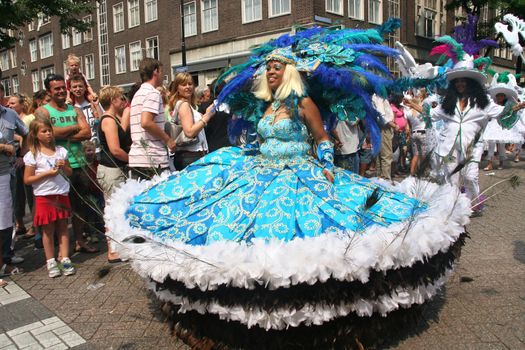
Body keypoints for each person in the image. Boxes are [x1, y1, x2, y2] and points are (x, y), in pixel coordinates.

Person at [105, 31, 471, 348]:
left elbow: (323, 139)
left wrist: (327, 167)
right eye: (268, 67)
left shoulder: (304, 103)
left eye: (277, 66)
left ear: (291, 71)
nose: (271, 71)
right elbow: (259, 139)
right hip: (260, 170)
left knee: (304, 229)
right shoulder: (267, 106)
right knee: (218, 213)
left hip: (298, 173)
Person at [34, 74, 98, 253]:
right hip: (57, 168)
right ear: (49, 91)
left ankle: (79, 241)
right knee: (58, 211)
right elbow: (46, 133)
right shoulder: (43, 111)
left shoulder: (75, 109)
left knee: (80, 207)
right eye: (57, 88)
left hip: (78, 164)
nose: (62, 91)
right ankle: (59, 251)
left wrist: (60, 133)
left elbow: (86, 133)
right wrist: (72, 128)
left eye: (63, 87)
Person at [23, 117, 75, 278]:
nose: (48, 134)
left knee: (63, 227)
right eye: (44, 131)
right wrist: (47, 173)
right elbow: (27, 179)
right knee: (47, 230)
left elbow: (69, 172)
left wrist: (64, 166)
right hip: (44, 196)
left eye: (49, 131)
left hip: (61, 193)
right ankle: (50, 260)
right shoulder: (33, 155)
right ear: (35, 134)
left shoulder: (60, 151)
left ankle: (65, 258)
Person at [97, 86, 130, 262]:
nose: (122, 100)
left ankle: (119, 245)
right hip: (111, 169)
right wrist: (131, 159)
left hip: (117, 169)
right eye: (120, 97)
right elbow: (115, 150)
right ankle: (112, 249)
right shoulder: (108, 120)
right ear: (112, 100)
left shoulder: (115, 118)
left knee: (118, 207)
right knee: (111, 208)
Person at [128, 58, 176, 180]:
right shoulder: (153, 93)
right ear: (155, 71)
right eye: (161, 71)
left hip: (137, 158)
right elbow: (146, 122)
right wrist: (168, 139)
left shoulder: (137, 94)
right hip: (153, 159)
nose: (163, 75)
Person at [0, 83, 28, 273]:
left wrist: (21, 156)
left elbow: (26, 133)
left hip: (7, 173)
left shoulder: (10, 114)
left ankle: (6, 255)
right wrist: (3, 147)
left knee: (6, 217)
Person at [168, 72, 215, 170]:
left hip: (189, 156)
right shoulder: (184, 105)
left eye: (190, 84)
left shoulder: (185, 104)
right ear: (177, 87)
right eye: (183, 84)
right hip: (190, 156)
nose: (188, 87)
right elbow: (189, 132)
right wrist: (207, 117)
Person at [483, 73, 524, 171]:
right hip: (492, 126)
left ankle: (501, 162)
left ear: (504, 97)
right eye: (498, 96)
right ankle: (490, 164)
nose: (499, 97)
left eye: (501, 96)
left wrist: (519, 106)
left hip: (502, 126)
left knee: (501, 145)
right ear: (496, 96)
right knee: (491, 145)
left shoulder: (507, 105)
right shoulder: (492, 104)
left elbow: (512, 112)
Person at [7, 94, 33, 237]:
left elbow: (30, 135)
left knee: (28, 193)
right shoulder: (7, 116)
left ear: (22, 104)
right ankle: (20, 224)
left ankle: (33, 226)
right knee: (17, 195)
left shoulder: (28, 118)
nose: (10, 105)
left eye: (13, 103)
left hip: (24, 159)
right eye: (9, 103)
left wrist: (22, 156)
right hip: (13, 160)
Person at [70, 74, 104, 158]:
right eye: (74, 87)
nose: (78, 89)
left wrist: (96, 106)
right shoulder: (69, 108)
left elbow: (103, 121)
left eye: (80, 86)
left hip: (97, 150)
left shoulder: (93, 103)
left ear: (85, 88)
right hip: (79, 151)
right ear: (70, 89)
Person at [372, 94, 395, 181]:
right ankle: (385, 180)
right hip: (384, 128)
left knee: (379, 155)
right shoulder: (378, 96)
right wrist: (394, 125)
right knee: (386, 155)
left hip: (380, 127)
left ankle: (380, 178)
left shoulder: (378, 96)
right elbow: (381, 115)